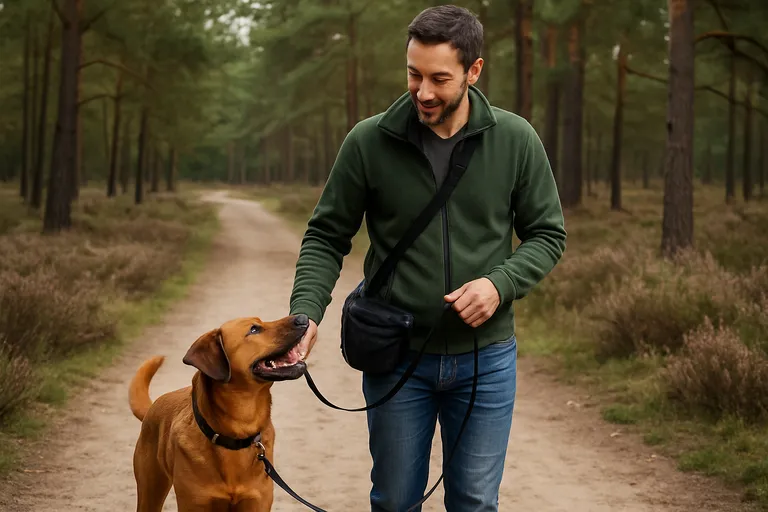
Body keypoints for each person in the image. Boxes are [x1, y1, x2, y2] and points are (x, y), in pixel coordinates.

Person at [289, 5, 566, 511]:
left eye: (439, 78)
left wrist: (499, 284)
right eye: (413, 74)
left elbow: (548, 234)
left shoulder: (516, 139)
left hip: (486, 359)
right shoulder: (368, 141)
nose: (422, 91)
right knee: (394, 502)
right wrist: (305, 313)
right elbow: (326, 235)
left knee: (475, 502)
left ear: (473, 71)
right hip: (394, 360)